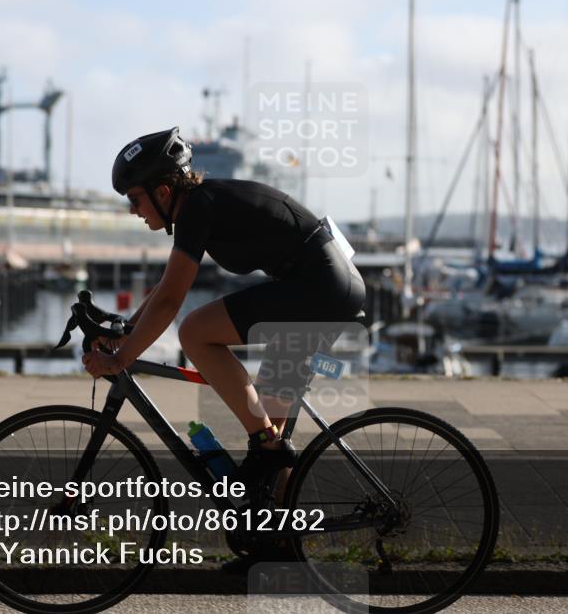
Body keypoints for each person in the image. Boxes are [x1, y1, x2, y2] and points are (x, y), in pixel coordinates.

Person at [82, 126, 365, 504]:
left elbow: (170, 301)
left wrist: (120, 358)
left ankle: (264, 446)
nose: (133, 210)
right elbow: (166, 288)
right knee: (268, 424)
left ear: (163, 191)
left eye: (135, 199)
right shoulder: (199, 205)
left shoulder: (199, 207)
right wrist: (126, 330)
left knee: (196, 331)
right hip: (325, 287)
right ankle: (274, 540)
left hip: (321, 288)